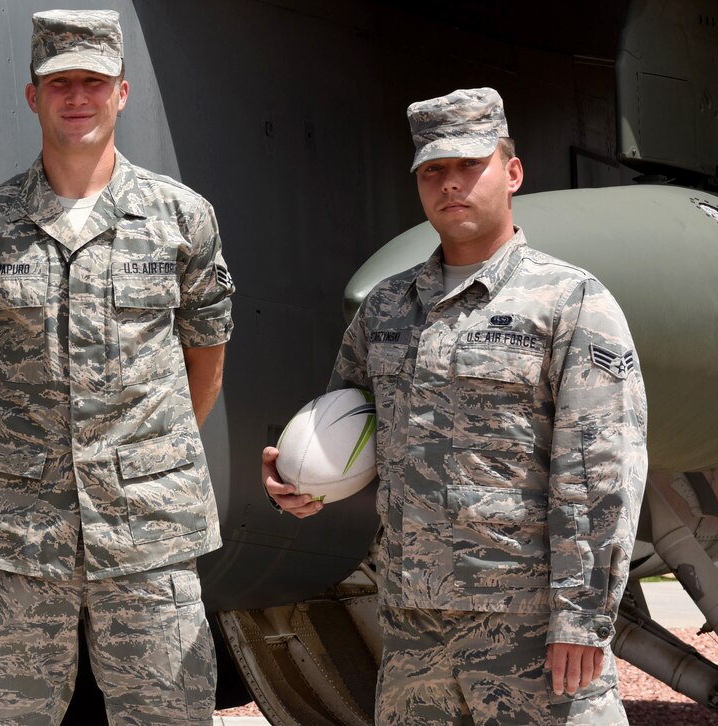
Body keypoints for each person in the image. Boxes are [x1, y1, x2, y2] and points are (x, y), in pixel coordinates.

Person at [263, 87, 647, 724]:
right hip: (415, 631)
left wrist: (582, 616)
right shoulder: (386, 309)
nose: (452, 184)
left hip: (532, 631)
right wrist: (301, 483)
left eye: (471, 165)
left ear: (513, 172)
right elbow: (347, 434)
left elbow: (602, 471)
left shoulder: (571, 302)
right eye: (433, 171)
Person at [0, 9, 234, 725]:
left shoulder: (182, 219)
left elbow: (207, 363)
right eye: (59, 82)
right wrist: (24, 476)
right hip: (20, 543)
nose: (77, 97)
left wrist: (136, 467)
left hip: (149, 539)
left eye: (93, 82)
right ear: (32, 97)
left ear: (121, 93)